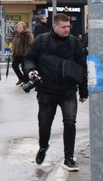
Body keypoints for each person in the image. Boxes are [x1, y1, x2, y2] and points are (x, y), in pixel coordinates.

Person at [24, 12, 89, 172]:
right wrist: (31, 70)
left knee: (70, 122)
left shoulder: (74, 42)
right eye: (64, 27)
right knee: (45, 124)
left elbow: (82, 67)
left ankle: (69, 158)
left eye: (69, 26)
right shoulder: (42, 40)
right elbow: (29, 58)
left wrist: (83, 91)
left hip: (68, 90)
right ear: (55, 26)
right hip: (46, 91)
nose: (67, 29)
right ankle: (43, 147)